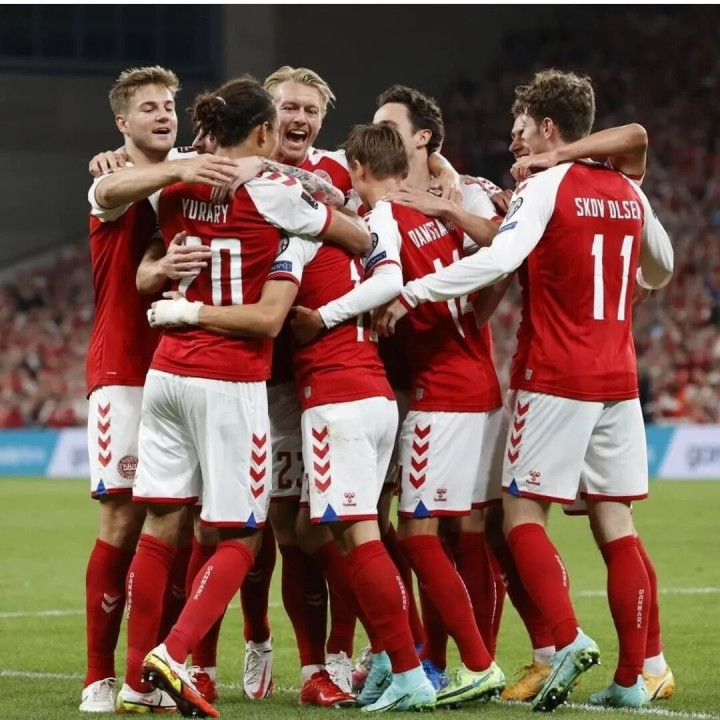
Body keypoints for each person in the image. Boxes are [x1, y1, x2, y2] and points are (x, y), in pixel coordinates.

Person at [376, 69, 673, 711]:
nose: (515, 141)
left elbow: (497, 261)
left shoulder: (547, 184)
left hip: (555, 375)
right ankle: (635, 677)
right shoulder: (628, 189)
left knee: (519, 517)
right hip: (620, 378)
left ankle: (563, 640)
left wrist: (415, 291)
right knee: (616, 521)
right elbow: (663, 266)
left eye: (521, 129)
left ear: (547, 127)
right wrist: (624, 298)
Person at [92, 75, 370, 719]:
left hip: (167, 372)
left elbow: (110, 196)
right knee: (241, 535)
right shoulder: (275, 193)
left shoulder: (175, 184)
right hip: (232, 378)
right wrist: (305, 214)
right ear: (264, 129)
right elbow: (358, 238)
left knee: (162, 527)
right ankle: (176, 653)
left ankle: (134, 683)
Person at [149, 121, 438, 715]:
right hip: (368, 394)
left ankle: (403, 665)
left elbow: (269, 317)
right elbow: (388, 273)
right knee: (314, 531)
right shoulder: (372, 225)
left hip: (333, 397)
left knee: (349, 534)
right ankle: (385, 658)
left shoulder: (297, 238)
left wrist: (188, 310)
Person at [80, 65, 227, 714]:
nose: (163, 114)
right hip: (124, 372)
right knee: (121, 517)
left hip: (186, 368)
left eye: (169, 105)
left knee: (180, 521)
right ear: (122, 122)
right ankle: (97, 677)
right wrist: (179, 167)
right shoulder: (113, 182)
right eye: (148, 108)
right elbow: (111, 188)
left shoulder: (185, 175)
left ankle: (153, 670)